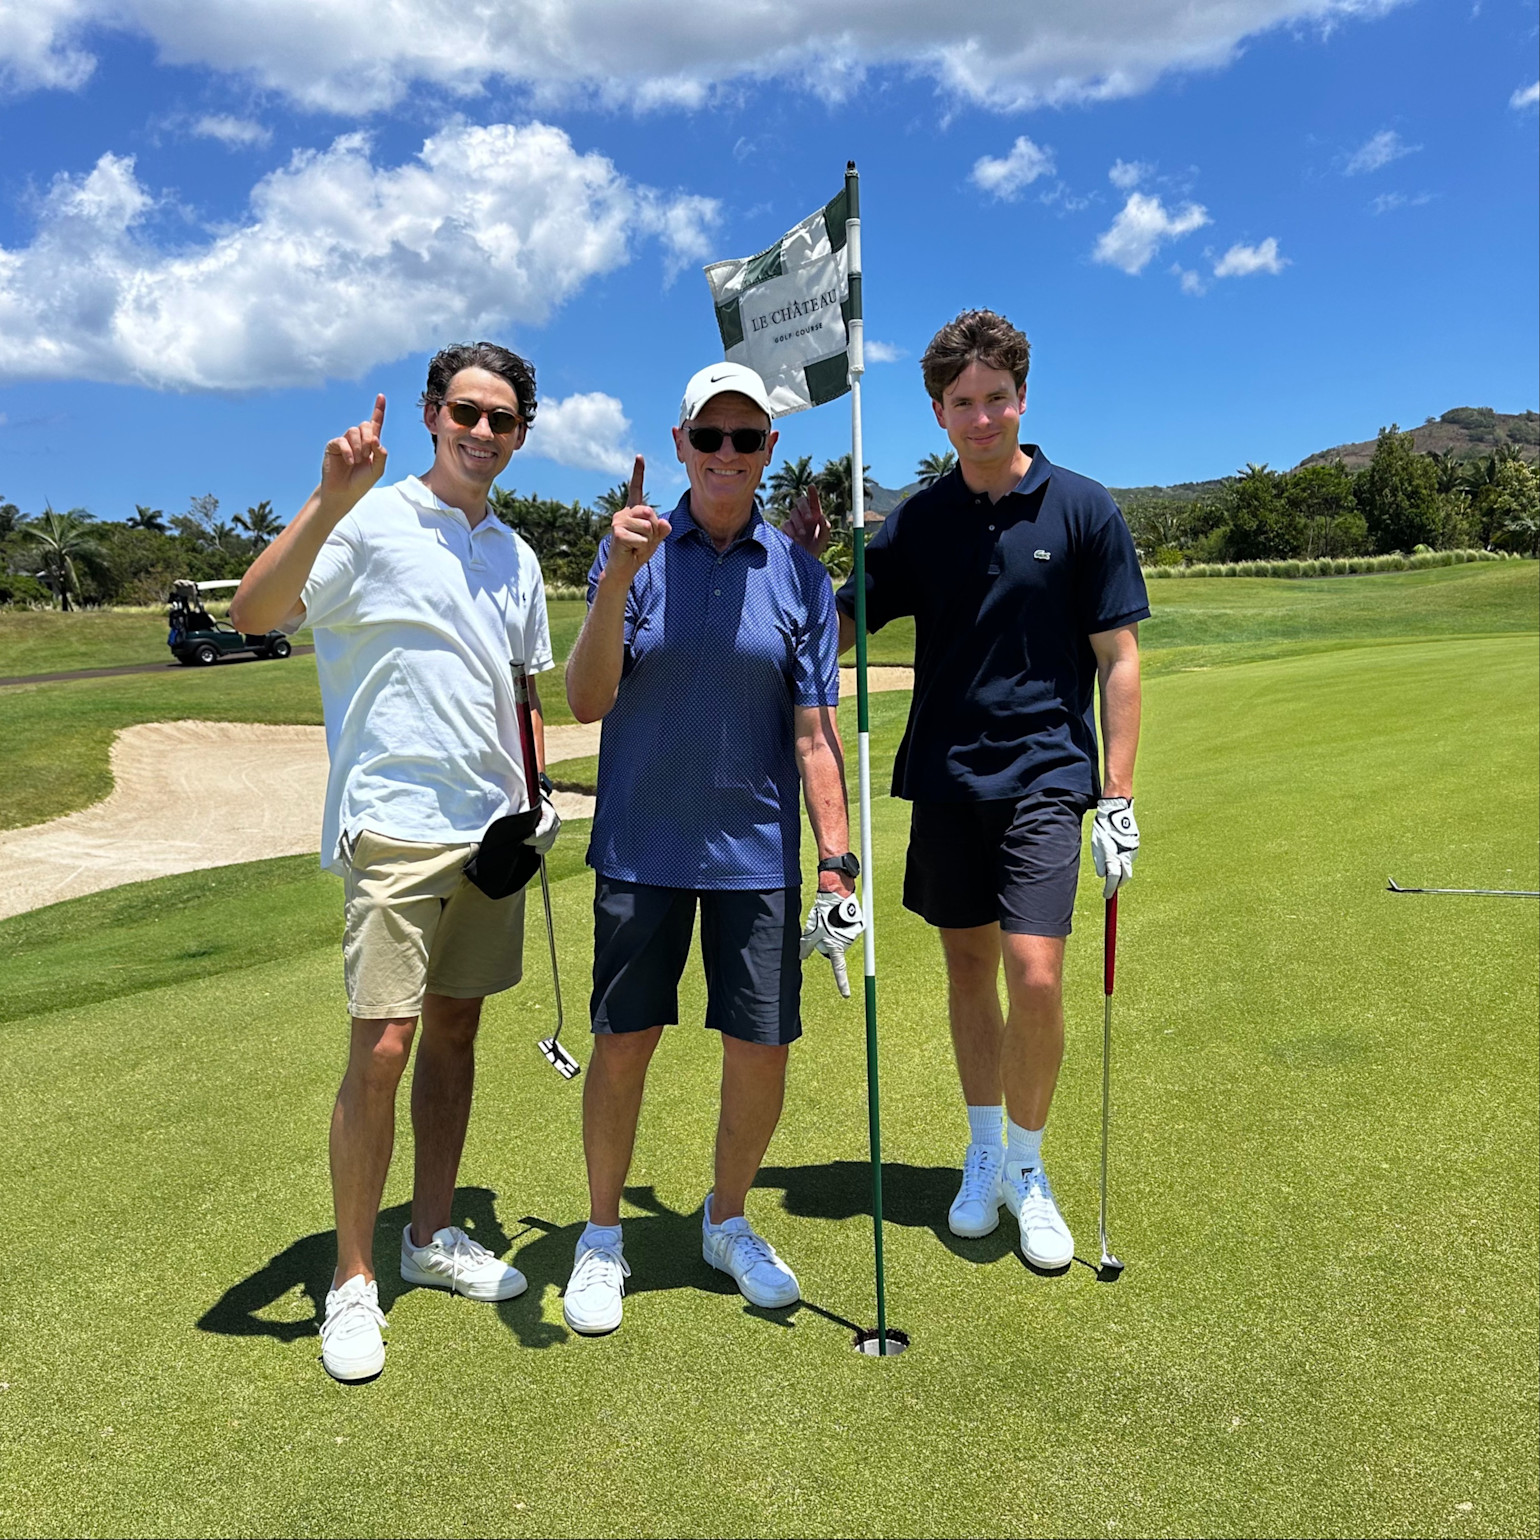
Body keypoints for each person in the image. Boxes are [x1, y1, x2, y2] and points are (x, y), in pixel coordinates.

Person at [230, 341, 560, 1381]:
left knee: (456, 1031)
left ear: (518, 434)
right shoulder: (365, 518)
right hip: (393, 824)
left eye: (502, 420)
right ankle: (353, 1281)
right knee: (381, 1048)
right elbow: (254, 613)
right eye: (466, 411)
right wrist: (329, 498)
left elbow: (524, 692)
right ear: (431, 412)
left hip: (489, 830)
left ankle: (427, 1236)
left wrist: (537, 801)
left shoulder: (513, 553)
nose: (481, 432)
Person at [801, 308, 1147, 1273]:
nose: (983, 417)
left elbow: (1118, 659)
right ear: (939, 412)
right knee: (967, 970)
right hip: (949, 776)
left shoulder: (1082, 509)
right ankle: (985, 1150)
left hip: (1045, 773)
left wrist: (1116, 796)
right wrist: (804, 559)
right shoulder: (917, 519)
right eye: (964, 402)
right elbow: (838, 624)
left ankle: (1031, 1169)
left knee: (1034, 972)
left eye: (997, 398)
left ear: (1021, 399)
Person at [561, 361, 861, 1335]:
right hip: (642, 844)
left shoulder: (802, 577)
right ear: (681, 443)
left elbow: (816, 732)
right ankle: (601, 1235)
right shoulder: (636, 555)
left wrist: (837, 862)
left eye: (746, 439)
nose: (725, 454)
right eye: (709, 437)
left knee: (761, 1051)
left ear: (768, 450)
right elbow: (586, 698)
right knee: (623, 1044)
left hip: (759, 856)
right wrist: (615, 576)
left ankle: (724, 1219)